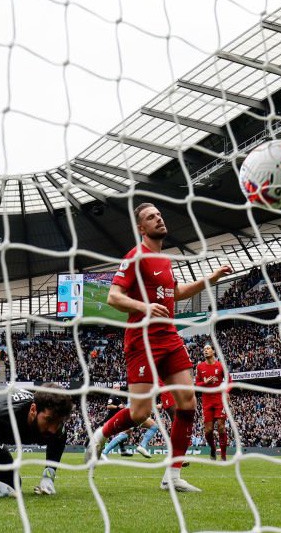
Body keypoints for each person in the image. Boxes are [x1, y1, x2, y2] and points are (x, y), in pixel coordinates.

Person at [85, 202, 232, 492]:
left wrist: (210, 280)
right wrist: (145, 307)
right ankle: (100, 436)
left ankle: (173, 477)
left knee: (188, 404)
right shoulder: (136, 256)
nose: (159, 219)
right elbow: (114, 297)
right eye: (152, 217)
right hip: (142, 339)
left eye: (160, 215)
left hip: (170, 338)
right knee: (140, 413)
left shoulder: (164, 260)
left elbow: (175, 293)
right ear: (142, 228)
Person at [195, 343, 230, 461]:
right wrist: (206, 383)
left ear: (213, 351)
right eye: (204, 349)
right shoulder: (200, 367)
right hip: (207, 401)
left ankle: (224, 456)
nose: (206, 350)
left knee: (221, 427)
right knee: (208, 430)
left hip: (219, 400)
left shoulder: (220, 366)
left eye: (208, 348)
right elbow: (197, 384)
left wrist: (227, 391)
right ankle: (213, 448)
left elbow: (229, 380)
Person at [101, 383, 133, 458]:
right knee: (124, 432)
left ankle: (122, 451)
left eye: (118, 388)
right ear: (113, 388)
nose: (117, 389)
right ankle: (103, 451)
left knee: (124, 432)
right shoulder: (113, 396)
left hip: (116, 419)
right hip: (110, 420)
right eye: (115, 388)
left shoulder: (118, 398)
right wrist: (117, 407)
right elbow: (108, 406)